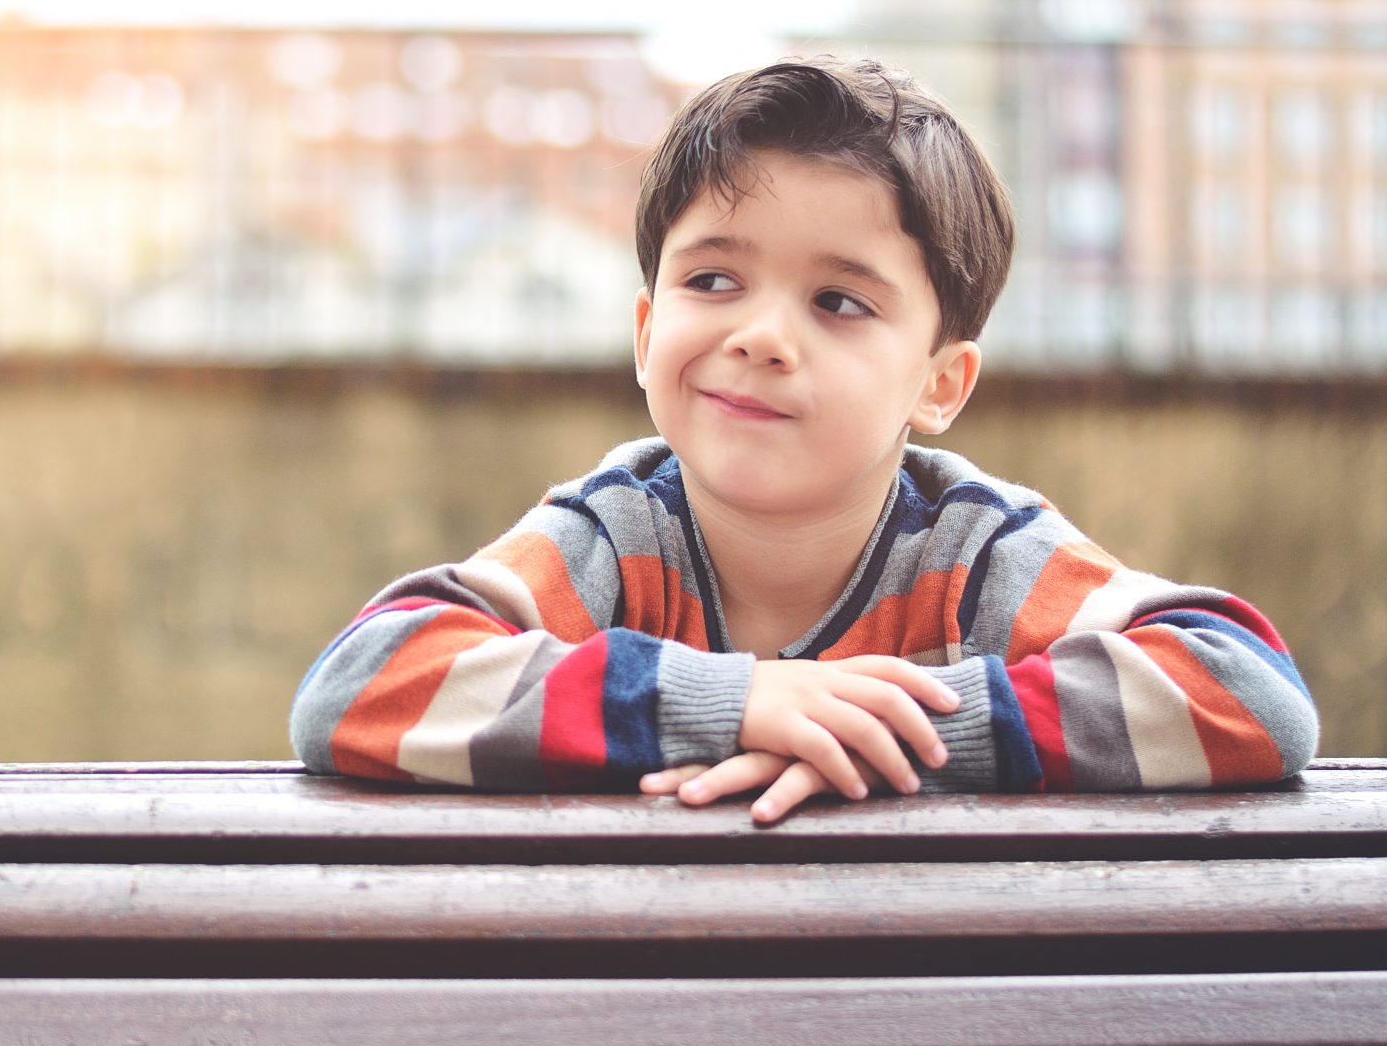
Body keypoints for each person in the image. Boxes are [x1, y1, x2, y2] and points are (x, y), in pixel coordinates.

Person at [289, 56, 1318, 823]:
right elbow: (363, 681)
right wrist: (733, 700)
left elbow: (1246, 691)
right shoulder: (614, 530)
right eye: (713, 280)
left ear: (938, 384)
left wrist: (893, 731)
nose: (761, 334)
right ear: (648, 337)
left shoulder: (976, 549)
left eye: (838, 300)